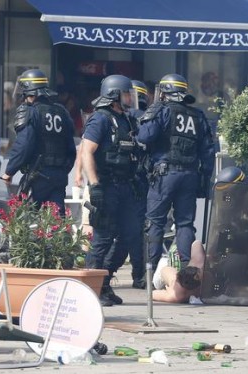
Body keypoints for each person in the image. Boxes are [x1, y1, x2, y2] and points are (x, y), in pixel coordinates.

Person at [137, 73, 215, 272]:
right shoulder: (197, 115)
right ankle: (186, 271)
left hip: (164, 175)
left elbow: (145, 137)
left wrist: (152, 111)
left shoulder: (161, 110)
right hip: (190, 176)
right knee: (185, 224)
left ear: (164, 92)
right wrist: (205, 178)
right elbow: (208, 151)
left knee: (154, 222)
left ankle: (150, 271)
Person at [81, 74, 144, 306]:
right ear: (114, 94)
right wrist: (94, 184)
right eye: (127, 93)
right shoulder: (101, 119)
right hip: (106, 186)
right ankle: (91, 288)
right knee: (103, 238)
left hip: (125, 186)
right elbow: (87, 151)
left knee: (130, 235)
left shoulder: (126, 120)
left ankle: (104, 282)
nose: (130, 97)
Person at [0, 69, 76, 217]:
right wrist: (61, 169)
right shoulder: (61, 111)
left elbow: (24, 145)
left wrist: (9, 171)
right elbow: (70, 147)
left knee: (25, 220)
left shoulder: (30, 111)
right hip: (59, 175)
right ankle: (58, 241)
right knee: (56, 221)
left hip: (38, 174)